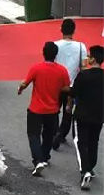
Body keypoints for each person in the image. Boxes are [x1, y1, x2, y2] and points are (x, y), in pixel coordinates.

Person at [18, 41, 71, 177]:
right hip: (52, 109)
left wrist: (20, 88)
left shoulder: (36, 68)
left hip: (36, 109)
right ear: (56, 55)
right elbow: (66, 88)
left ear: (43, 53)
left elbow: (25, 83)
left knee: (33, 135)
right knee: (48, 135)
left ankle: (38, 160)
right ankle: (45, 156)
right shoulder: (62, 70)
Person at [53, 18, 88, 149]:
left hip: (57, 84)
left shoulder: (54, 45)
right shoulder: (81, 47)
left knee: (54, 109)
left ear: (61, 30)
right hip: (72, 85)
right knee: (68, 112)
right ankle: (61, 134)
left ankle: (53, 131)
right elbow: (83, 67)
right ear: (74, 31)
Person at [72, 45, 103, 189]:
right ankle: (91, 166)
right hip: (99, 115)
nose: (87, 58)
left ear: (93, 59)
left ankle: (85, 170)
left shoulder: (83, 75)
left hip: (83, 114)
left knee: (81, 142)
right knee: (94, 141)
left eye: (89, 56)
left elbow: (74, 92)